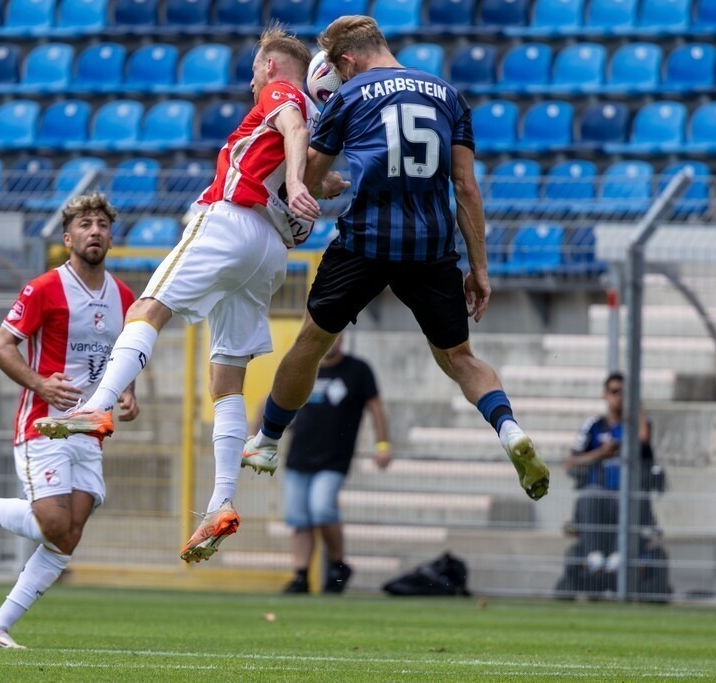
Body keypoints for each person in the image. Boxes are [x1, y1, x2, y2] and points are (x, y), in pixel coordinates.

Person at [31, 24, 349, 563]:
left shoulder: (285, 95)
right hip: (271, 251)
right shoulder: (322, 125)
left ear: (271, 66)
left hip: (231, 220)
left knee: (147, 306)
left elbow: (291, 125)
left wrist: (298, 184)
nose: (253, 82)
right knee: (227, 375)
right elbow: (309, 162)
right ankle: (222, 502)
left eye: (254, 70)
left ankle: (98, 407)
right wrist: (319, 184)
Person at [240, 15, 550, 503]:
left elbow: (313, 178)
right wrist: (480, 268)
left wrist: (326, 183)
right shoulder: (449, 96)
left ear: (346, 60)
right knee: (460, 357)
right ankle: (508, 427)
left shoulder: (349, 96)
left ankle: (268, 440)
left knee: (312, 342)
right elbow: (466, 187)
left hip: (365, 240)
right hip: (430, 246)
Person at [0, 192, 138, 649]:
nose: (95, 231)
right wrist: (41, 385)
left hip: (90, 430)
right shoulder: (44, 287)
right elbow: (0, 347)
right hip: (43, 424)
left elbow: (122, 356)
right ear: (68, 238)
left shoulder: (124, 296)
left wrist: (128, 391)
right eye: (85, 224)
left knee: (68, 535)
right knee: (51, 523)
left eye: (102, 223)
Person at [278, 335, 390, 595]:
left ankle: (338, 565)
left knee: (322, 509)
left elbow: (375, 407)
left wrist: (382, 443)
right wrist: (256, 435)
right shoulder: (303, 365)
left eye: (337, 335)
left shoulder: (358, 370)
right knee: (299, 519)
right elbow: (272, 397)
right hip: (298, 457)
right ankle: (301, 575)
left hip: (334, 459)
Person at [555, 371, 668, 599]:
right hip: (599, 495)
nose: (620, 397)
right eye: (615, 392)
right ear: (605, 395)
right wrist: (600, 454)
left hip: (627, 496)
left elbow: (644, 441)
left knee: (633, 498)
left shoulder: (638, 425)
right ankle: (594, 556)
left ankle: (620, 557)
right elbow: (571, 462)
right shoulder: (594, 426)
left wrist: (637, 409)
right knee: (590, 496)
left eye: (625, 393)